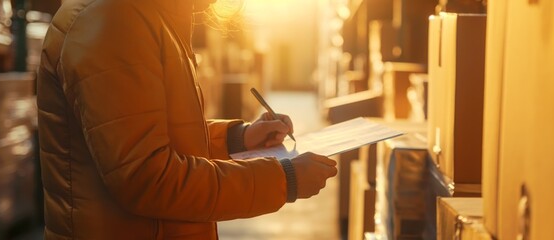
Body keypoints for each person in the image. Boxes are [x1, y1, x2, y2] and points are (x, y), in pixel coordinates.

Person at [36, 0, 338, 238]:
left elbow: (148, 132)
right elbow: (148, 178)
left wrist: (238, 139)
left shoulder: (150, 18)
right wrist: (284, 178)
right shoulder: (115, 22)